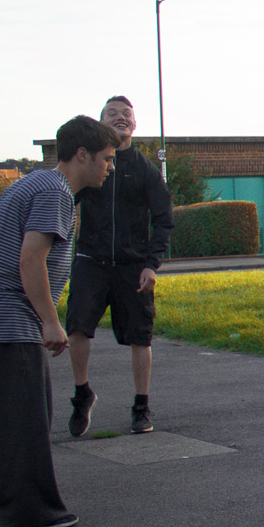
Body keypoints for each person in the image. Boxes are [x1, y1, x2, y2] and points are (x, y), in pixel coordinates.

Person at [0, 115, 120, 527]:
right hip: (4, 315)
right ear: (81, 154)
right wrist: (49, 321)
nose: (110, 166)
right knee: (22, 415)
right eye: (106, 158)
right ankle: (28, 513)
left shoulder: (32, 182)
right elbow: (31, 258)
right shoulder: (54, 190)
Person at [65, 95, 173, 436]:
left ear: (135, 125)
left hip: (132, 265)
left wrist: (151, 264)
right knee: (77, 328)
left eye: (126, 113)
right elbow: (65, 202)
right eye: (112, 113)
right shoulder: (91, 165)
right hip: (91, 260)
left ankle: (141, 406)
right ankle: (82, 394)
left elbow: (163, 220)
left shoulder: (145, 170)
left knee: (141, 337)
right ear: (100, 124)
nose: (120, 117)